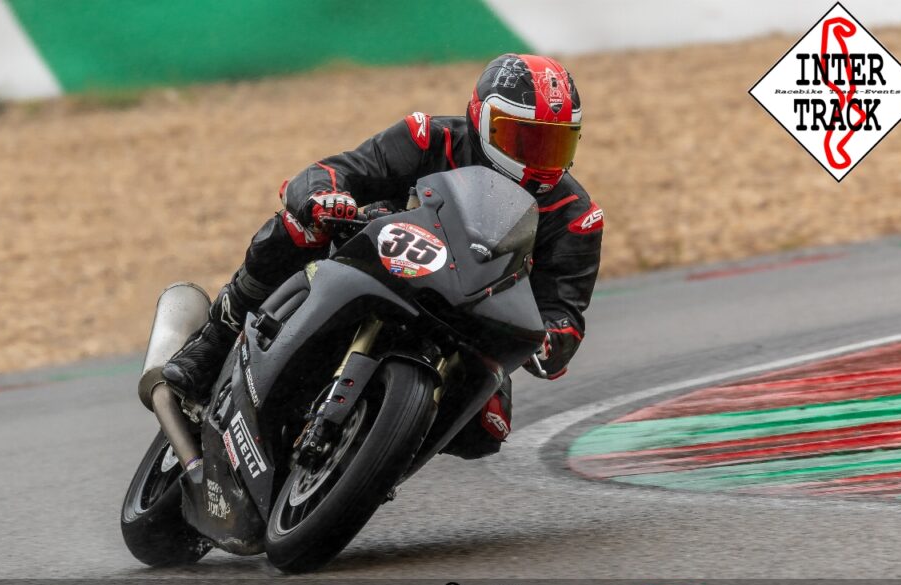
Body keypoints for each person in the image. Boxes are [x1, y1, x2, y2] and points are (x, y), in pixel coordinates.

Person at [163, 54, 604, 457]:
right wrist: (325, 197)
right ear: (481, 119)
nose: (537, 159)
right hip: (377, 258)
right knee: (297, 227)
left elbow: (564, 311)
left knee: (487, 428)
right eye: (523, 139)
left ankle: (371, 457)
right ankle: (214, 340)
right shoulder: (427, 137)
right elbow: (335, 171)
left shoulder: (575, 217)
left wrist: (551, 340)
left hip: (470, 317)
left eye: (553, 145)